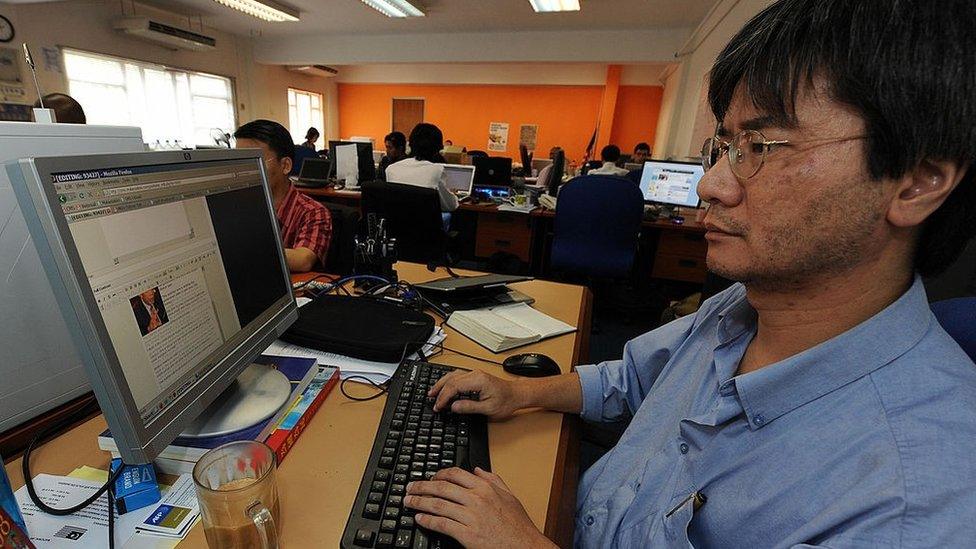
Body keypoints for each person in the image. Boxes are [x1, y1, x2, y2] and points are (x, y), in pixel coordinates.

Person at [400, 0, 976, 546]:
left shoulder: (915, 500)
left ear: (917, 181)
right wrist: (520, 391)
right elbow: (630, 380)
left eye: (763, 146)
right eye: (724, 146)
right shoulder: (744, 306)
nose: (711, 185)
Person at [234, 119, 332, 272]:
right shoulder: (239, 206)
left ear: (285, 165)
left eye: (254, 162)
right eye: (239, 163)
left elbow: (303, 260)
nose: (243, 172)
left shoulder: (312, 212)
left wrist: (240, 251)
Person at [385, 123, 459, 213]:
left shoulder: (391, 169)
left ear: (410, 144)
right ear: (436, 149)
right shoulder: (437, 170)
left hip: (397, 225)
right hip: (425, 225)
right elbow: (449, 206)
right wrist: (453, 195)